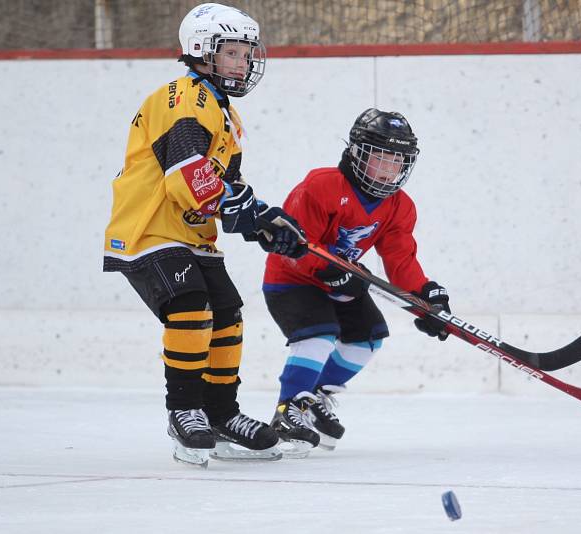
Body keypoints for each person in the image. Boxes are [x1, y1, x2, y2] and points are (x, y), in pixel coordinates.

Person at [102, 3, 306, 468]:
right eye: (232, 53)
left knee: (229, 315)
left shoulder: (226, 116)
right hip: (149, 227)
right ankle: (185, 411)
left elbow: (226, 189)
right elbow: (186, 172)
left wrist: (264, 223)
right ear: (200, 51)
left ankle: (220, 413)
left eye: (247, 53)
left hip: (192, 233)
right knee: (192, 307)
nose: (244, 62)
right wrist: (242, 212)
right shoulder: (184, 96)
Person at [260, 108, 451, 457]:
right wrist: (326, 271)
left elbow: (400, 258)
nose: (389, 169)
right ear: (358, 152)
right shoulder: (321, 185)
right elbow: (294, 247)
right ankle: (288, 410)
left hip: (342, 280)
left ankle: (313, 396)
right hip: (292, 279)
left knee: (368, 337)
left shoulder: (399, 206)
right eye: (381, 158)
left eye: (397, 161)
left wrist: (425, 295)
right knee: (319, 333)